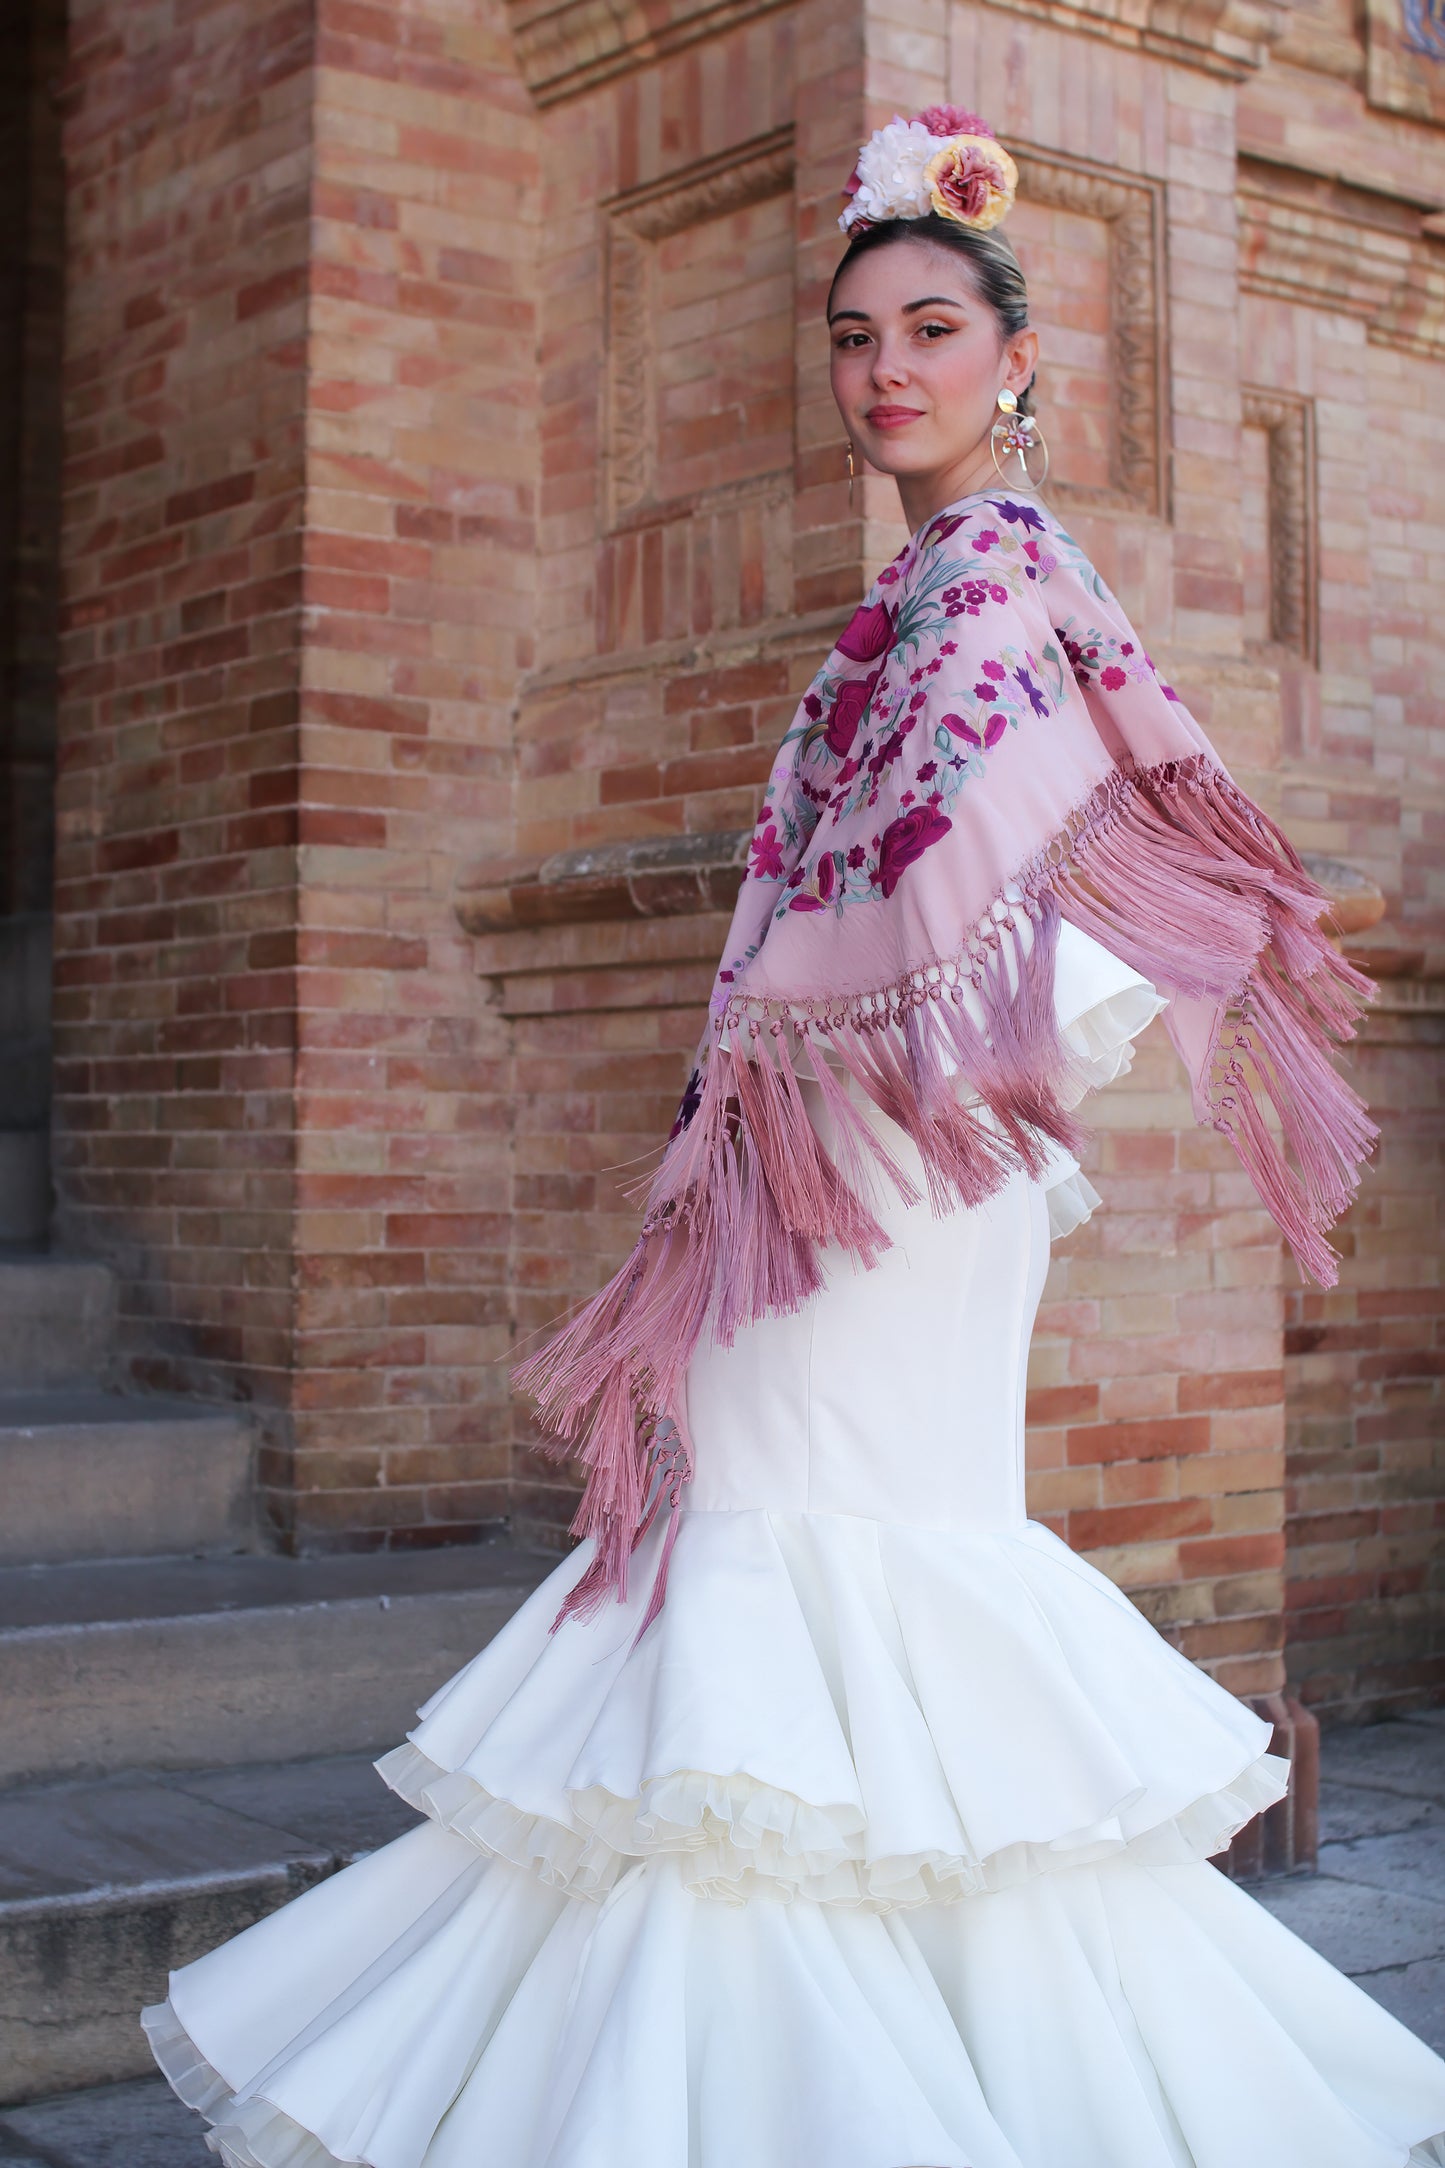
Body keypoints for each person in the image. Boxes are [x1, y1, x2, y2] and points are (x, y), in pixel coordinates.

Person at [143, 107, 1445, 2168]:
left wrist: (870, 1092)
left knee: (813, 1562)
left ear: (1017, 359)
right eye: (853, 336)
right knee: (795, 1580)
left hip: (888, 1164)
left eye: (931, 328)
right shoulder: (935, 590)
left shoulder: (993, 578)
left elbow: (1007, 892)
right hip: (855, 1151)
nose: (884, 369)